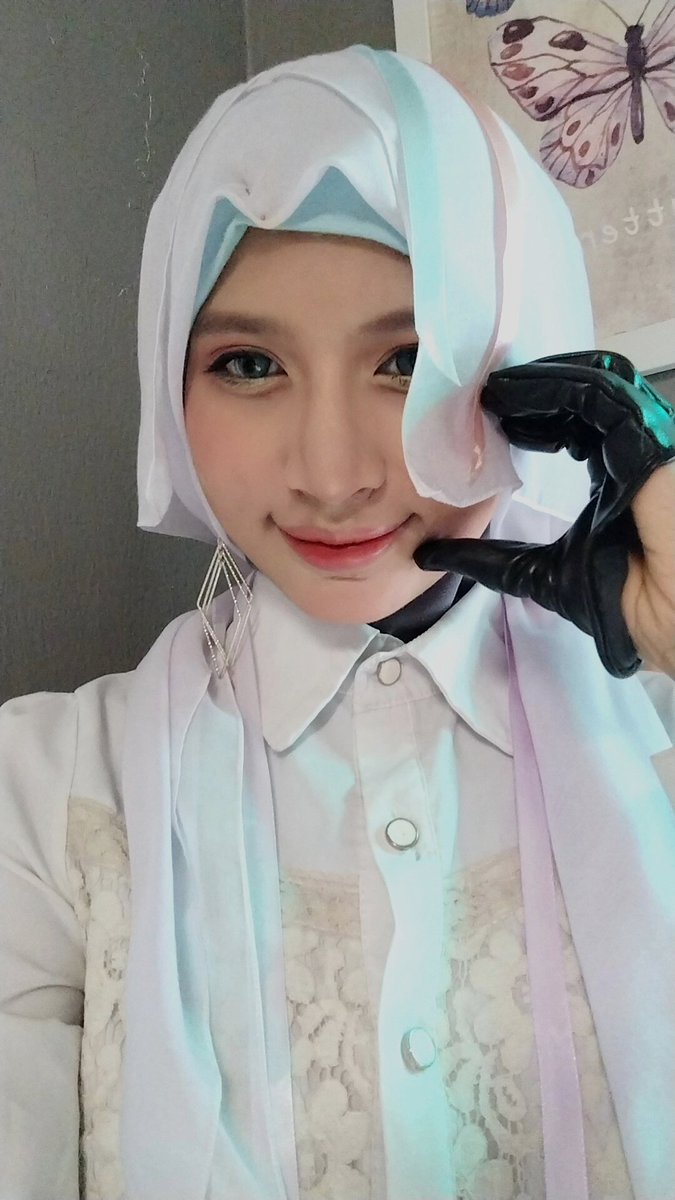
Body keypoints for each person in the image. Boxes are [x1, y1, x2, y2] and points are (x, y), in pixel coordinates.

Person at [1, 42, 674, 1200]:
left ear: (531, 365)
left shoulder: (658, 728)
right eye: (248, 363)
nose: (331, 472)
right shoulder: (51, 792)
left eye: (408, 360)